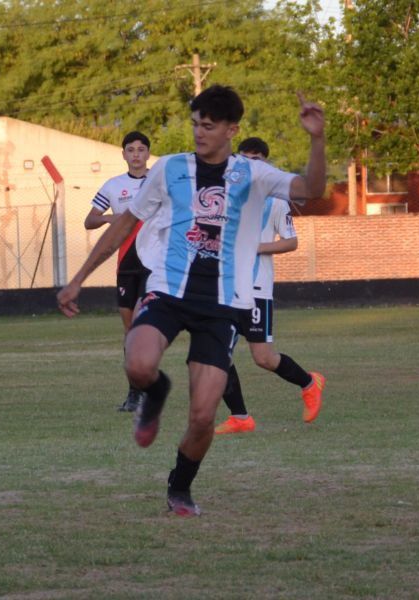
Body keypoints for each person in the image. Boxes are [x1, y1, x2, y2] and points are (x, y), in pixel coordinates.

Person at [57, 85, 325, 517]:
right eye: (196, 124)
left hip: (223, 305)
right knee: (138, 362)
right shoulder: (170, 169)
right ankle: (157, 389)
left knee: (203, 417)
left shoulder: (253, 175)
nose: (199, 133)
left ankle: (179, 488)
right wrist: (79, 279)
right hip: (169, 290)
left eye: (209, 125)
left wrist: (316, 138)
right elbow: (124, 223)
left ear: (231, 129)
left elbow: (311, 187)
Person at [215, 137, 325, 435]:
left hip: (257, 290)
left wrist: (256, 247)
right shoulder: (227, 196)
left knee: (263, 358)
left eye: (258, 160)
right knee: (217, 354)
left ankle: (309, 383)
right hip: (225, 289)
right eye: (247, 159)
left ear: (266, 163)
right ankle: (240, 417)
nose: (252, 165)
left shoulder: (277, 199)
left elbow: (291, 241)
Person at [84, 131, 152, 412]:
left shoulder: (158, 182)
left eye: (141, 149)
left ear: (148, 154)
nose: (136, 154)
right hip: (126, 265)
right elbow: (90, 221)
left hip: (153, 265)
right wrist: (115, 218)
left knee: (139, 327)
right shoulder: (114, 186)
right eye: (131, 150)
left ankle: (144, 391)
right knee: (130, 331)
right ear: (123, 154)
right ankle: (136, 391)